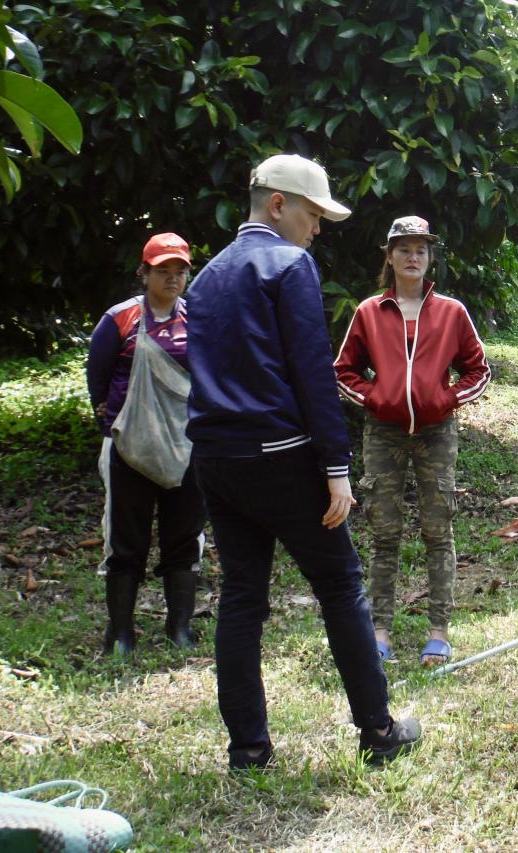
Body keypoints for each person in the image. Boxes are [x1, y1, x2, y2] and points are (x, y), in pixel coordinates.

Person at [185, 153, 420, 771]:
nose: (318, 228)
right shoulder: (290, 264)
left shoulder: (205, 276)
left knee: (241, 597)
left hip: (215, 458)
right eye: (313, 214)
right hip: (281, 459)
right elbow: (312, 372)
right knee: (341, 585)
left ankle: (249, 750)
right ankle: (378, 732)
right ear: (279, 205)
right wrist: (336, 467)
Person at [334, 216, 490, 667]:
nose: (413, 256)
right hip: (383, 434)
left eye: (421, 248)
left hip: (436, 433)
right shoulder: (368, 312)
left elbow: (479, 369)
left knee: (438, 531)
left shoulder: (451, 312)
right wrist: (375, 398)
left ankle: (439, 632)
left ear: (430, 257)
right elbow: (342, 370)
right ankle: (378, 631)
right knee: (384, 534)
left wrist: (446, 399)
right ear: (389, 255)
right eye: (404, 248)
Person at [86, 233, 206, 657]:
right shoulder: (119, 320)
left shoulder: (198, 320)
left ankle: (180, 629)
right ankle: (120, 634)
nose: (172, 278)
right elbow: (97, 381)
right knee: (125, 540)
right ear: (145, 272)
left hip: (186, 446)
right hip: (128, 448)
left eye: (180, 271)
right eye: (163, 271)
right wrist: (116, 425)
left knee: (185, 536)